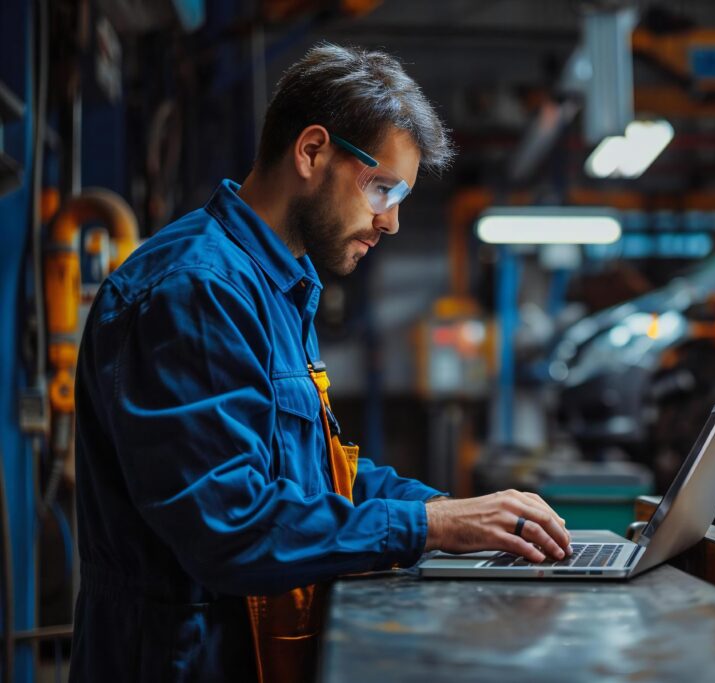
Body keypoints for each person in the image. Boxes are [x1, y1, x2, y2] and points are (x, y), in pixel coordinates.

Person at [69, 43, 572, 682]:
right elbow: (230, 525)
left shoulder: (278, 287)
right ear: (312, 152)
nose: (389, 222)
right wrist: (429, 525)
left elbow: (317, 478)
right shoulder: (195, 288)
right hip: (183, 663)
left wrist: (467, 515)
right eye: (382, 188)